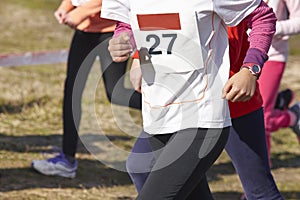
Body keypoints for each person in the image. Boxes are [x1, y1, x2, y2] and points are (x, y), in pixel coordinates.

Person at [102, 0, 282, 199]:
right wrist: (123, 40)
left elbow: (262, 16)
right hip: (158, 116)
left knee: (260, 190)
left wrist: (250, 69)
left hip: (202, 118)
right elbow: (129, 22)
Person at [31, 0, 142, 178]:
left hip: (111, 31)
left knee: (116, 93)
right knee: (72, 92)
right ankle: (67, 160)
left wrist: (81, 12)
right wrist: (66, 7)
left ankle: (170, 109)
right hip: (84, 31)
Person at [257, 0, 300, 166]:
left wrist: (269, 27)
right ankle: (291, 116)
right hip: (240, 56)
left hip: (272, 56)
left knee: (261, 120)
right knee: (241, 118)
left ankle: (259, 186)